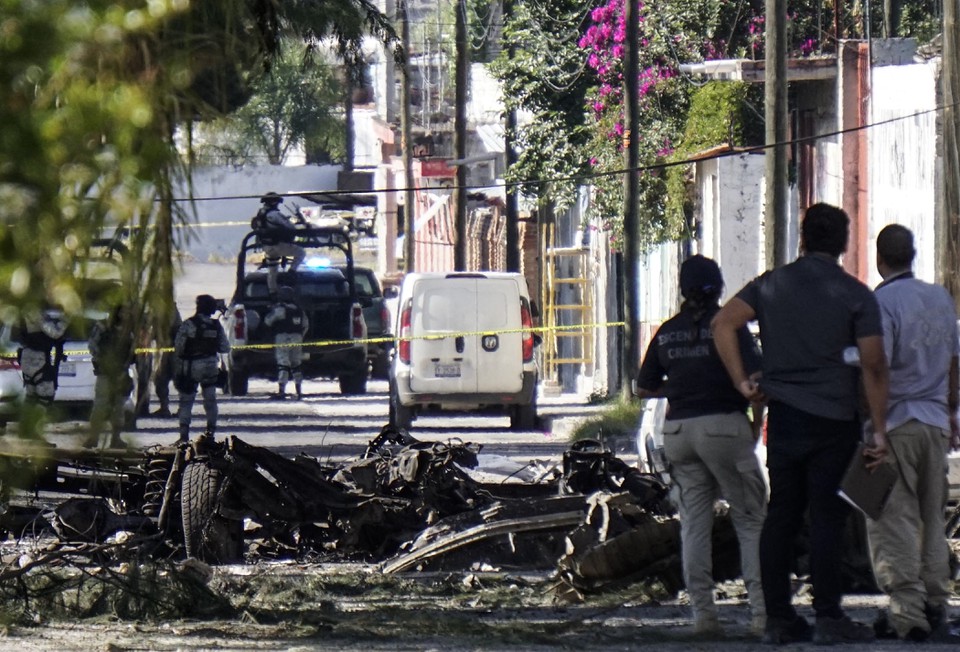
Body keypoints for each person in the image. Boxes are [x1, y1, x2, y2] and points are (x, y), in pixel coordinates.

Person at [712, 202, 889, 645]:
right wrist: (879, 428)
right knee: (827, 517)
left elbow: (723, 323)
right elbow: (873, 365)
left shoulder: (770, 285)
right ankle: (829, 617)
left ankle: (777, 619)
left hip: (785, 419)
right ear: (844, 244)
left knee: (782, 514)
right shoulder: (856, 294)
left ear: (803, 238)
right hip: (835, 419)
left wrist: (742, 383)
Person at [635, 254, 767, 636]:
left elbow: (643, 387)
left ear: (682, 289)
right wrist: (756, 421)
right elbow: (755, 379)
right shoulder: (731, 326)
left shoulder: (667, 331)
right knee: (749, 519)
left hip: (678, 432)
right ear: (720, 287)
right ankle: (760, 615)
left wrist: (676, 389)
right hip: (724, 428)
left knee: (694, 524)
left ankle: (704, 618)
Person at [866, 224, 959, 642]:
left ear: (879, 259)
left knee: (892, 518)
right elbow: (955, 362)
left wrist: (877, 428)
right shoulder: (940, 298)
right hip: (936, 423)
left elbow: (877, 365)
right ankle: (938, 602)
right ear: (913, 255)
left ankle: (908, 611)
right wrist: (952, 413)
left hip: (896, 423)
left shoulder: (881, 302)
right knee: (932, 518)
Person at [174, 294, 229, 443]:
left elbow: (179, 348)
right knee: (210, 400)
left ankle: (183, 436)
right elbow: (225, 348)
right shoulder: (216, 325)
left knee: (186, 400)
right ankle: (210, 433)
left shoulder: (188, 325)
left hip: (190, 367)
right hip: (210, 366)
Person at [86, 306, 135, 448]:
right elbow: (92, 346)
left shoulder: (128, 329)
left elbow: (131, 350)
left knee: (119, 407)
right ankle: (93, 438)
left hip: (121, 373)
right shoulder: (102, 327)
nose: (125, 314)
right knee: (100, 406)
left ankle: (116, 438)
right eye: (122, 311)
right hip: (105, 373)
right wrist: (103, 361)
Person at [263, 285, 309, 400]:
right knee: (296, 364)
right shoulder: (299, 310)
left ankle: (281, 390)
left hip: (282, 337)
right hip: (297, 338)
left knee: (283, 363)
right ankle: (299, 390)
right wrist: (300, 337)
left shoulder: (280, 309)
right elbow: (305, 325)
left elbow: (268, 321)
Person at [255, 192, 305, 295]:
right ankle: (291, 272)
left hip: (267, 247)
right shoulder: (274, 214)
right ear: (274, 202)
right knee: (301, 252)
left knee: (272, 270)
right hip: (279, 245)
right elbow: (290, 227)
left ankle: (272, 292)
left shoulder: (261, 214)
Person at [18, 308, 69, 408]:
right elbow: (55, 333)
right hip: (37, 358)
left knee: (32, 397)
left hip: (29, 356)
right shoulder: (35, 313)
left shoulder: (26, 312)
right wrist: (66, 319)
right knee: (45, 397)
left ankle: (29, 421)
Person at [152, 306, 183, 417]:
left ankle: (182, 409)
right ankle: (164, 407)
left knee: (179, 380)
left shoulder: (169, 308)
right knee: (160, 380)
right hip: (166, 349)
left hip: (176, 349)